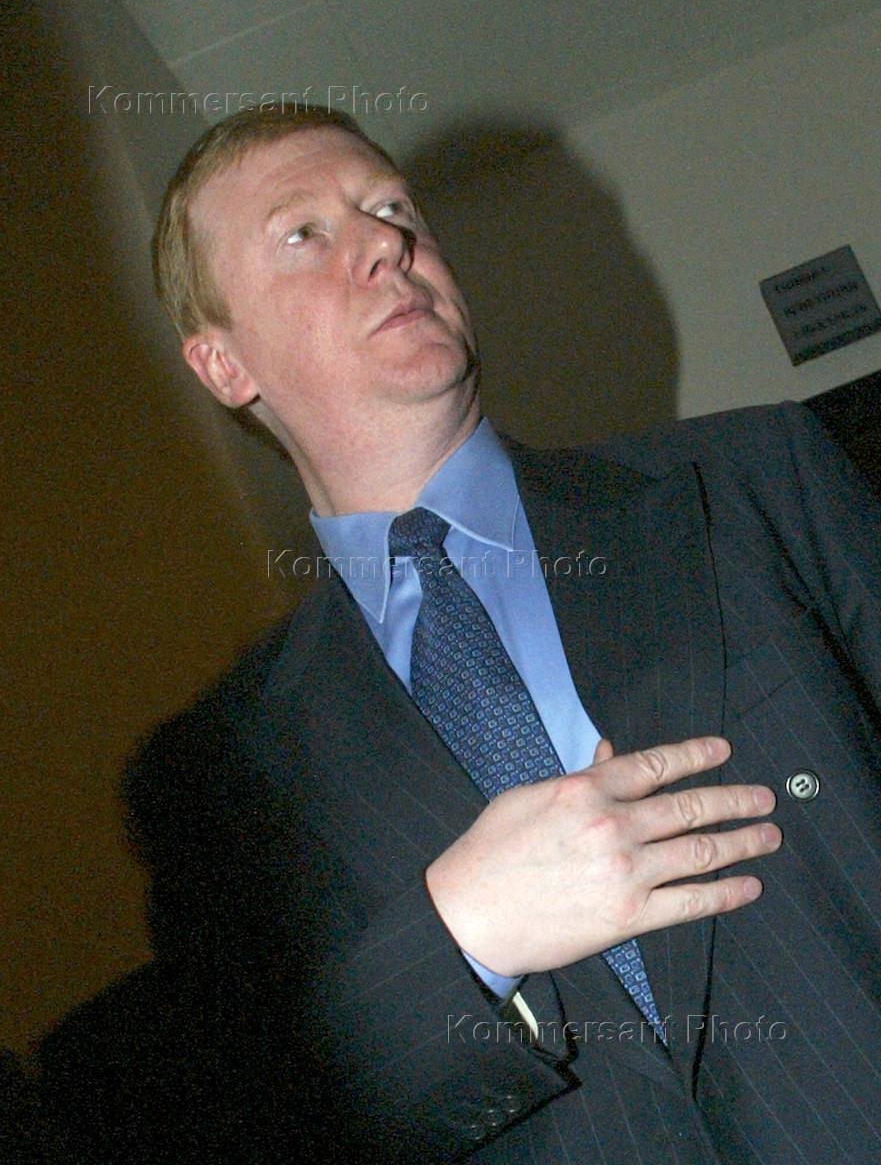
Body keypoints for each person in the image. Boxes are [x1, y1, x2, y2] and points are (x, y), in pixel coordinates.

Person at [63, 106, 881, 1163]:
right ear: (223, 366)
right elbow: (258, 1125)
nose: (384, 241)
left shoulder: (756, 479)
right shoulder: (214, 777)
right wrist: (460, 937)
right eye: (303, 233)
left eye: (393, 208)